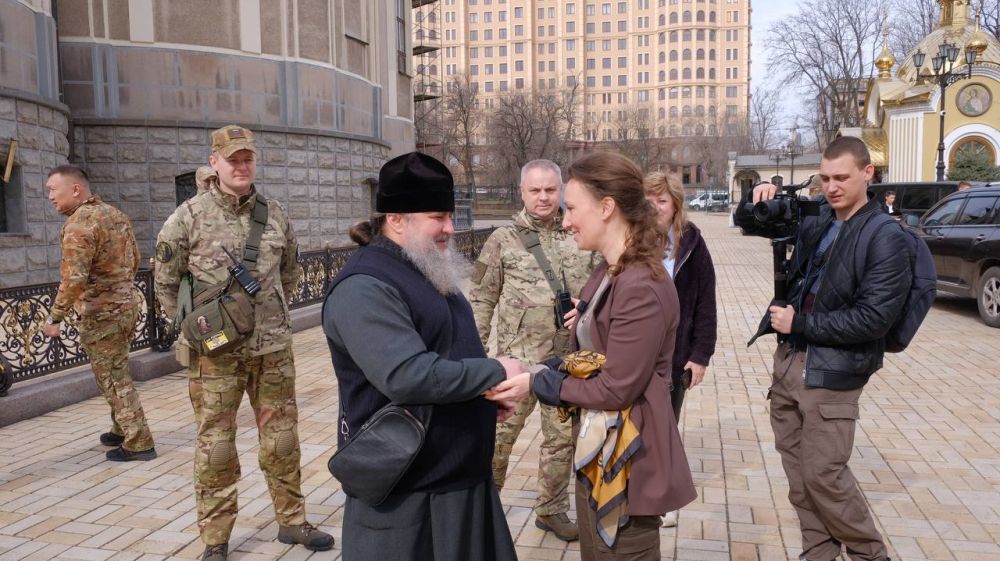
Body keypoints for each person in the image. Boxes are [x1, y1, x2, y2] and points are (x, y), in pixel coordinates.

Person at [490, 151, 697, 561]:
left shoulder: (641, 284)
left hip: (629, 464)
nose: (565, 220)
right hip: (599, 455)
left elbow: (615, 386)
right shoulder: (609, 271)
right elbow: (585, 356)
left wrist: (537, 382)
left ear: (607, 208)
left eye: (571, 207)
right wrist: (532, 368)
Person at [323, 151, 519, 561]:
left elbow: (447, 349)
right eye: (438, 216)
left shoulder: (424, 265)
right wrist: (493, 372)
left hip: (458, 479)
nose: (450, 227)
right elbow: (408, 375)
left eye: (450, 215)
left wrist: (481, 397)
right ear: (396, 218)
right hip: (409, 497)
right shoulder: (364, 287)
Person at [154, 125, 333, 561]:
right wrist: (197, 328)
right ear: (214, 162)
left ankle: (291, 521)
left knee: (282, 439)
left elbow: (290, 274)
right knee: (216, 446)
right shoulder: (188, 217)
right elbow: (165, 280)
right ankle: (215, 538)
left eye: (247, 157)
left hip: (272, 350)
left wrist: (265, 317)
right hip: (215, 356)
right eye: (232, 158)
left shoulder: (274, 213)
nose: (241, 165)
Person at [745, 136, 906, 561]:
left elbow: (874, 319)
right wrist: (757, 194)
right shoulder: (821, 219)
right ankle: (817, 552)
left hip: (833, 373)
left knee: (824, 476)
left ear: (867, 174)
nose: (831, 187)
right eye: (825, 178)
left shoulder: (884, 235)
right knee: (800, 477)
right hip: (790, 364)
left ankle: (871, 555)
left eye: (842, 178)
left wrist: (801, 322)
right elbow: (754, 223)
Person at [469, 159, 593, 542]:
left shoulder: (579, 233)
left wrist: (586, 310)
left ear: (561, 192)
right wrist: (476, 359)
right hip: (514, 363)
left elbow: (605, 291)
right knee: (497, 441)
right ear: (522, 192)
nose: (543, 197)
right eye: (535, 190)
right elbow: (481, 299)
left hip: (566, 364)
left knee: (560, 444)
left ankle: (551, 509)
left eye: (551, 190)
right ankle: (481, 511)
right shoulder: (503, 240)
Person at [43, 164, 156, 462]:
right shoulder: (114, 214)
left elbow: (74, 279)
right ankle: (120, 428)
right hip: (127, 304)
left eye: (53, 190)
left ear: (75, 189)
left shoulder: (79, 224)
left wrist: (55, 317)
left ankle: (139, 440)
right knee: (116, 368)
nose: (51, 197)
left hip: (103, 314)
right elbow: (135, 258)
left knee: (112, 376)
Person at [642, 171, 717, 528]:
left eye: (662, 200)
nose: (655, 207)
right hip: (638, 349)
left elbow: (706, 302)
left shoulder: (692, 243)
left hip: (675, 352)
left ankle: (665, 497)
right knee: (638, 422)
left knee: (666, 424)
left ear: (675, 205)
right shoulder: (633, 239)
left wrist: (701, 355)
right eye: (650, 199)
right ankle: (638, 488)